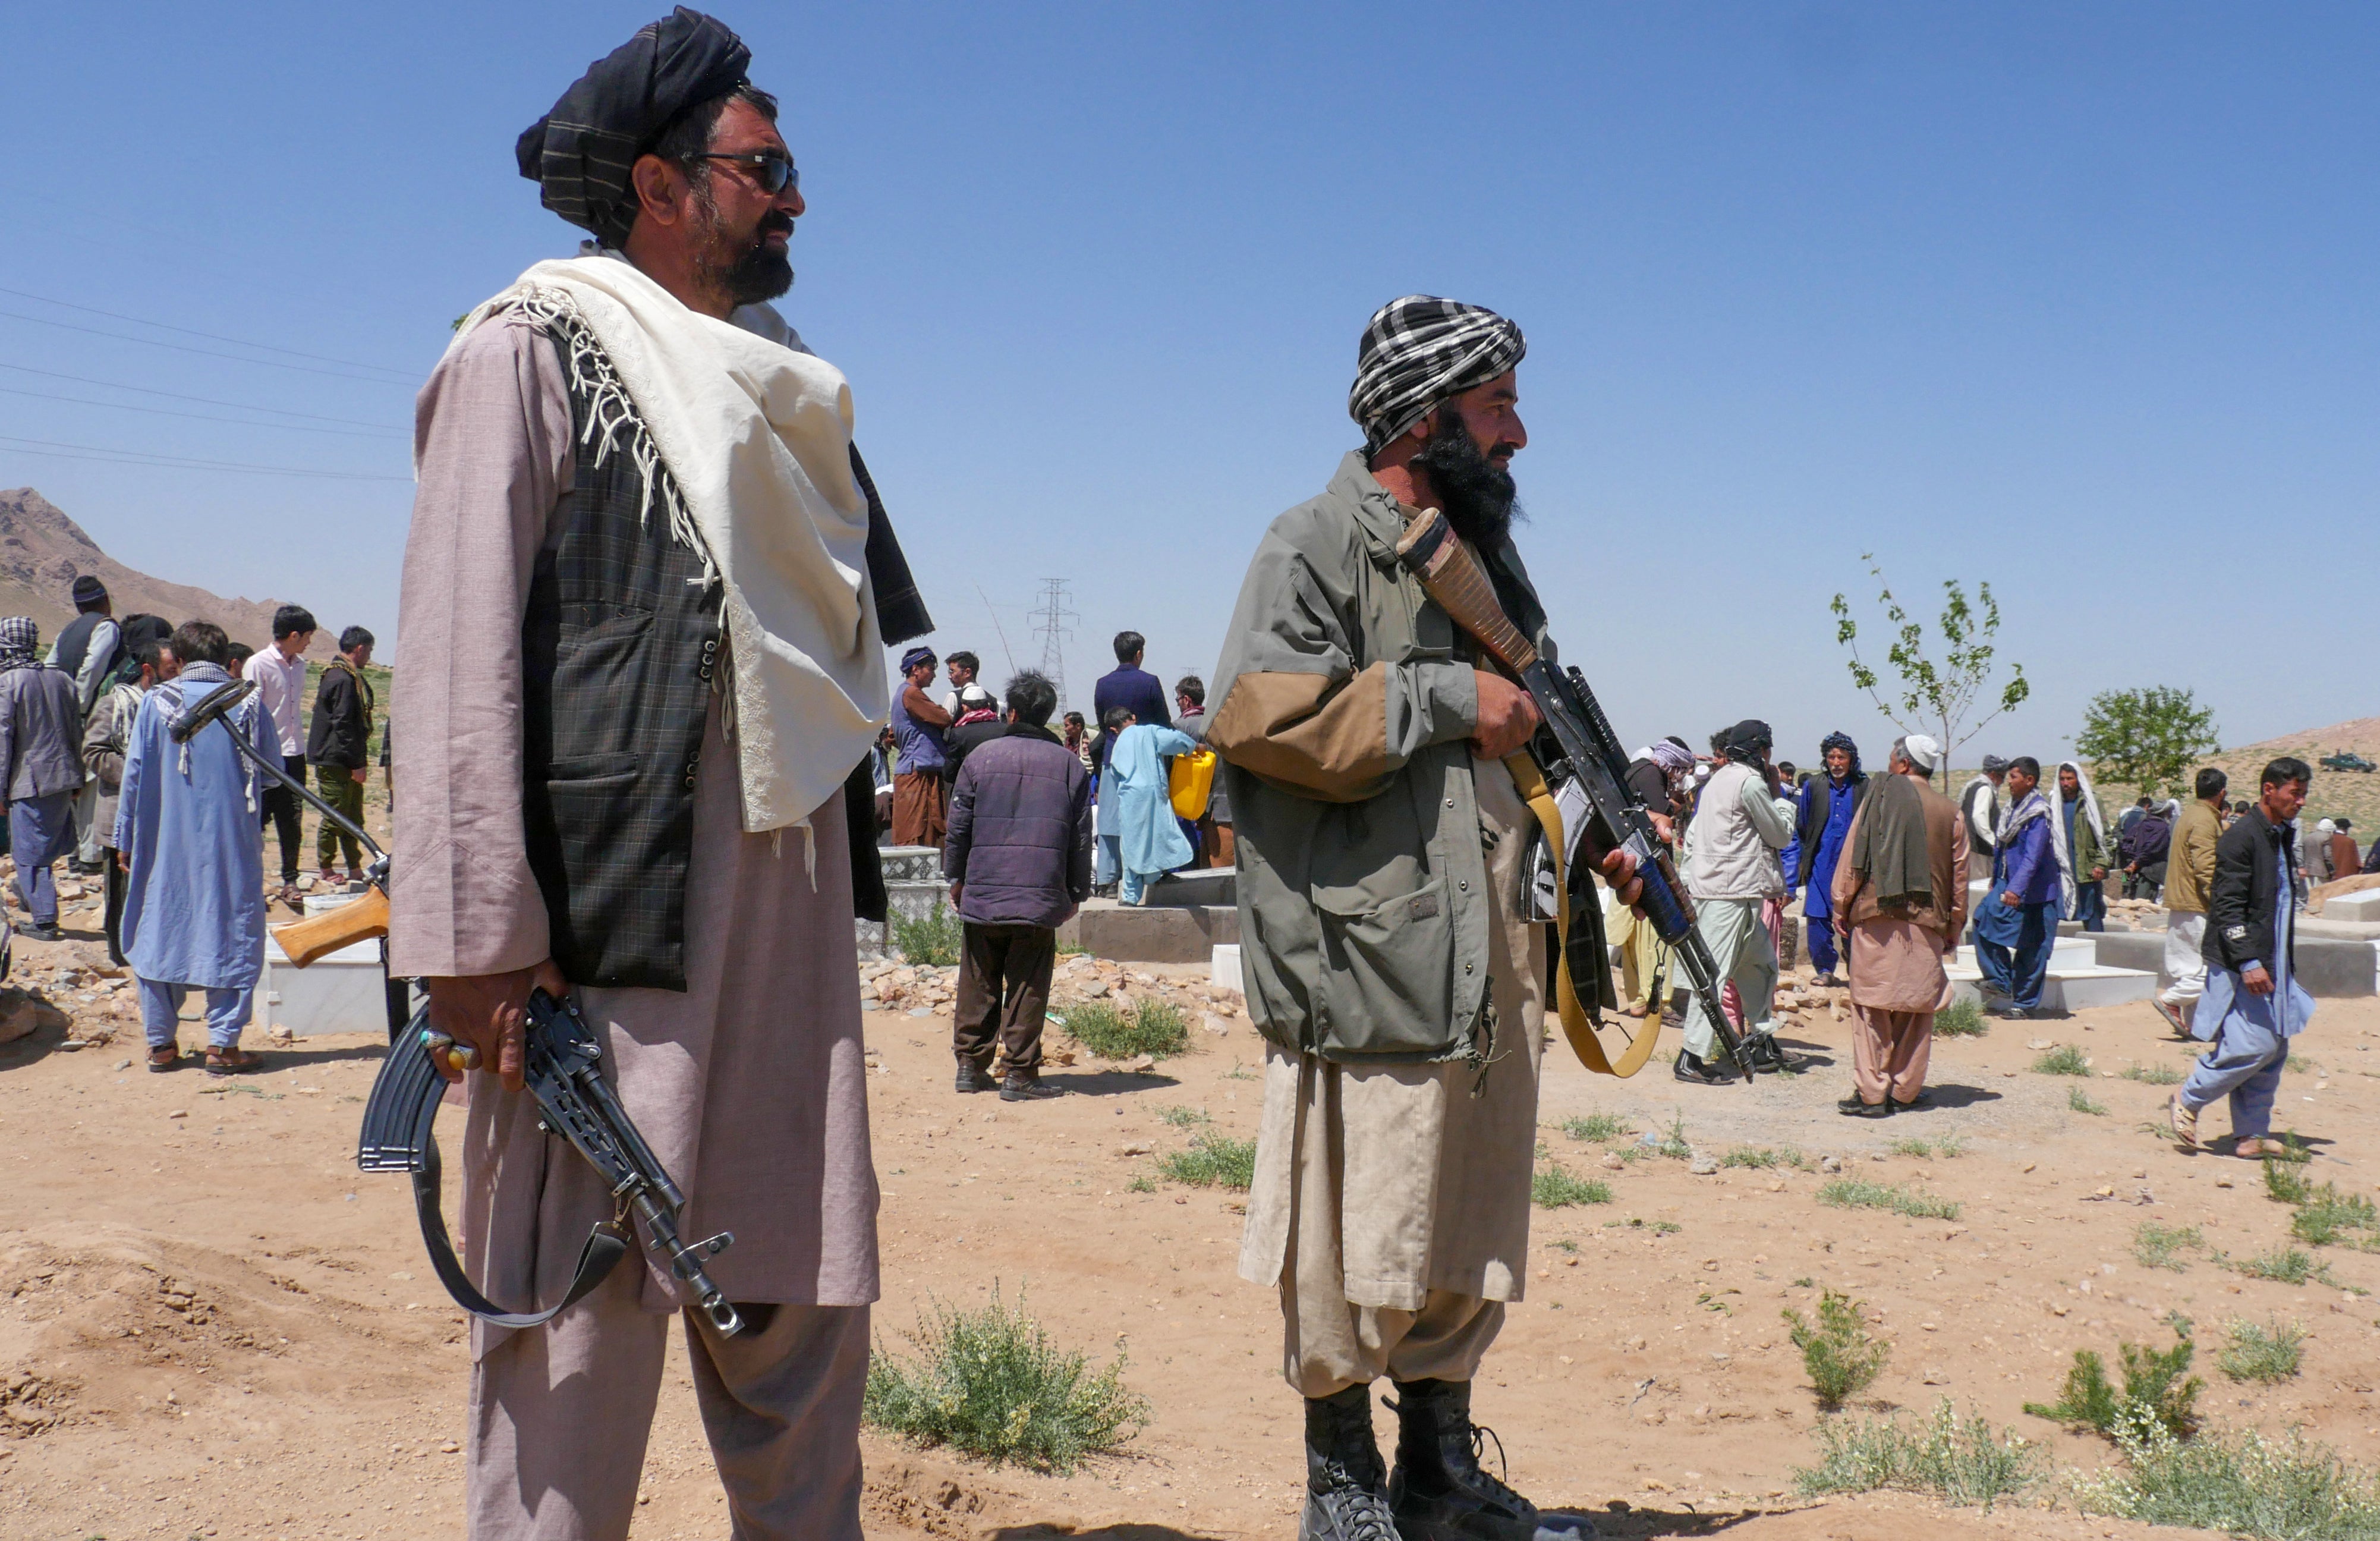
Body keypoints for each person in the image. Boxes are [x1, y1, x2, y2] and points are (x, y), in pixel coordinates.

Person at [393, 13, 925, 1533]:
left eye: (789, 167)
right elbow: (453, 658)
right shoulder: (527, 349)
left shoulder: (784, 383)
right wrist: (477, 948)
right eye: (766, 167)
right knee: (572, 1323)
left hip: (786, 941)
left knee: (802, 1302)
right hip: (598, 962)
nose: (795, 196)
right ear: (661, 183)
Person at [1207, 295, 1628, 1541]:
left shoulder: (1479, 562)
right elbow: (1259, 718)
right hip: (1371, 958)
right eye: (1496, 405)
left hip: (1487, 960)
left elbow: (1536, 734)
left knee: (1465, 1219)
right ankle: (1341, 1481)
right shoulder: (1315, 543)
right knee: (1355, 1235)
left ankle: (1435, 1472)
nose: (1518, 435)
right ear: (1425, 416)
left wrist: (1611, 848)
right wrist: (1441, 695)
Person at [116, 621, 275, 1076]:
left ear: (179, 660)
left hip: (165, 837)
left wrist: (125, 837)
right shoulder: (247, 699)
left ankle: (161, 1045)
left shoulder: (154, 702)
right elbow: (269, 773)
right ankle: (222, 1046)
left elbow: (136, 775)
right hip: (231, 841)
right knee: (231, 925)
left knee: (159, 924)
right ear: (226, 659)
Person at [942, 671, 1089, 1102]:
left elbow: (959, 828)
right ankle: (1020, 1074)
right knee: (1027, 982)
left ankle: (971, 1066)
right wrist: (1077, 890)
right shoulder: (1067, 765)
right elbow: (1081, 836)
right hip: (1040, 892)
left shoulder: (981, 758)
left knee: (978, 977)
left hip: (984, 889)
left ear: (1013, 712)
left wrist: (957, 879)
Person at [2170, 759, 2316, 1158]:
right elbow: (2228, 905)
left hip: (2274, 960)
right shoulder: (2242, 838)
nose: (2300, 802)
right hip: (2244, 964)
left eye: (2304, 794)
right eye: (2294, 794)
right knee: (2254, 1044)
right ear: (2269, 790)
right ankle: (2188, 1098)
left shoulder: (2279, 836)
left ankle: (2250, 1133)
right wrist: (2248, 961)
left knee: (2276, 1047)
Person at [1830, 735, 1966, 1117]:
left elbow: (1854, 860)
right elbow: (1959, 876)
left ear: (1904, 765)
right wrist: (1955, 924)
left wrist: (1842, 904)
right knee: (1917, 1010)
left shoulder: (1880, 798)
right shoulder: (1951, 811)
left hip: (1877, 920)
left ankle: (1873, 1094)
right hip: (1929, 923)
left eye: (1893, 758)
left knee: (1871, 1009)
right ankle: (1905, 1091)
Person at [1676, 719, 1797, 1083]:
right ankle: (1691, 1057)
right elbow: (1779, 835)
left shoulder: (1719, 779)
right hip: (1728, 896)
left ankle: (1761, 1043)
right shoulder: (1750, 783)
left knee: (1761, 967)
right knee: (1712, 978)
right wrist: (1781, 797)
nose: (1770, 757)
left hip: (1732, 894)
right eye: (1767, 749)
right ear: (1759, 750)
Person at [86, 635, 172, 966]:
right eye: (170, 668)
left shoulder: (175, 706)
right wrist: (138, 773)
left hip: (163, 813)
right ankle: (121, 955)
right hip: (121, 809)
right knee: (121, 889)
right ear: (149, 669)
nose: (176, 675)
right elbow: (93, 752)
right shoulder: (115, 704)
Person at [0, 618, 85, 942]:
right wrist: (77, 776)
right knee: (43, 846)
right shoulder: (62, 679)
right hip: (64, 777)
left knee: (28, 853)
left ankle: (45, 921)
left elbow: (3, 743)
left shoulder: (9, 682)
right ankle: (28, 892)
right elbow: (76, 732)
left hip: (30, 781)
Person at [1974, 756, 2063, 1018]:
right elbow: (2003, 845)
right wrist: (1997, 878)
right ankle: (1999, 980)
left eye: (2013, 777)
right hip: (2007, 883)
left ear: (2029, 780)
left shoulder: (2038, 813)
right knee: (1982, 919)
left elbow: (2032, 857)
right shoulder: (2013, 809)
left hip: (2037, 892)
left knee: (2033, 949)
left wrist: (2016, 888)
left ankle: (2023, 1005)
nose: (2009, 782)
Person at [1611, 740, 1692, 1018]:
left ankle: (1638, 1001)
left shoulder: (1638, 770)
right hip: (1649, 871)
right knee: (1657, 940)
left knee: (1634, 943)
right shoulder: (1651, 775)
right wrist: (1673, 807)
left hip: (1627, 865)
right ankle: (1660, 1003)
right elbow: (1660, 815)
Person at [47, 575, 121, 874]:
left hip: (62, 714)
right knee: (91, 785)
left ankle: (77, 853)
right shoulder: (106, 627)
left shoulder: (66, 631)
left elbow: (51, 666)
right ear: (105, 601)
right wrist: (77, 705)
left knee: (75, 784)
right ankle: (90, 858)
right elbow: (92, 669)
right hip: (87, 713)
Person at [243, 604, 316, 901]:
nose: (309, 643)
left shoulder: (300, 666)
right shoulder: (258, 665)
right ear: (294, 635)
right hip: (264, 756)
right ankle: (250, 882)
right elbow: (247, 712)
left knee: (291, 821)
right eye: (307, 637)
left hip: (294, 754)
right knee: (257, 821)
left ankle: (290, 881)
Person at [2155, 768, 2227, 1036]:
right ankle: (2170, 1000)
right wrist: (2220, 902)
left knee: (2189, 969)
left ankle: (2195, 1026)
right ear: (2222, 793)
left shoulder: (2190, 815)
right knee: (2210, 968)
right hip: (2198, 904)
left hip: (2182, 902)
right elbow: (2206, 866)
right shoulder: (2205, 821)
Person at [1793, 732, 1867, 986]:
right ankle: (1824, 970)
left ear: (1851, 760)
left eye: (1842, 757)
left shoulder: (1862, 787)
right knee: (1817, 918)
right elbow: (1803, 825)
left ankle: (1858, 972)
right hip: (1821, 864)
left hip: (1852, 869)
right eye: (1832, 757)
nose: (1836, 762)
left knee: (1854, 919)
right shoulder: (1815, 786)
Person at [307, 625, 376, 884]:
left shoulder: (343, 676)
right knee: (335, 814)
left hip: (343, 758)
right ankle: (326, 867)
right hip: (337, 759)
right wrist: (357, 763)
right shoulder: (342, 678)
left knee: (353, 816)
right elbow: (344, 725)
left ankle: (354, 867)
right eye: (369, 651)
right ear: (359, 649)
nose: (369, 656)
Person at [1106, 713, 1198, 904]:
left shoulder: (1117, 746)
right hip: (1152, 793)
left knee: (1132, 844)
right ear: (1133, 717)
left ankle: (1130, 896)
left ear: (1113, 729)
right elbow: (1174, 740)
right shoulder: (1148, 731)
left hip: (1130, 797)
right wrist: (1193, 747)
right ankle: (1158, 874)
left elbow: (1115, 775)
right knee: (1159, 833)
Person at [890, 645, 953, 847]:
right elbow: (944, 718)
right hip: (917, 774)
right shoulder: (912, 694)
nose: (934, 675)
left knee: (928, 830)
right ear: (916, 669)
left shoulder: (904, 693)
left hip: (920, 770)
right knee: (917, 831)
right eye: (931, 668)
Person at [1091, 630, 1169, 785]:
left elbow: (1103, 724)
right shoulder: (1150, 682)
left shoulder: (1102, 684)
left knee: (1114, 809)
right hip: (1144, 761)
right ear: (1138, 654)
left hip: (1113, 758)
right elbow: (1164, 722)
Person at [2057, 760, 2113, 932]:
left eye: (2069, 779)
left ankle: (2099, 950)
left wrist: (2101, 864)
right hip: (2064, 868)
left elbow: (2106, 836)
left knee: (2092, 911)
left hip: (2087, 868)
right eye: (2062, 779)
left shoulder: (2091, 801)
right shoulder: (2055, 803)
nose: (2065, 783)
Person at [942, 682, 1005, 775]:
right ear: (988, 706)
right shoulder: (1004, 729)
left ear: (965, 708)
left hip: (969, 785)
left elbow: (949, 772)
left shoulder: (958, 734)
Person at [2120, 796, 2174, 902]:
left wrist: (2133, 859)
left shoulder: (2142, 823)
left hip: (2131, 868)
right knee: (2142, 904)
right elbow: (2151, 849)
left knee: (2127, 899)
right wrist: (2137, 862)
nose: (2171, 815)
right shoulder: (2162, 828)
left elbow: (2126, 842)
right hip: (2149, 873)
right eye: (2169, 812)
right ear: (2163, 813)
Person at [1960, 755, 2008, 864]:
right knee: (1980, 881)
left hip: (1968, 848)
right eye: (2002, 777)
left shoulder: (1971, 785)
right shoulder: (1985, 789)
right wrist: (1993, 842)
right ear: (1993, 775)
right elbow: (1979, 817)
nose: (2003, 782)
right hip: (1979, 852)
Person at [937, 649, 980, 716]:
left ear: (967, 672)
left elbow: (944, 723)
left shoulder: (954, 697)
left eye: (952, 672)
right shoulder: (993, 701)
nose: (949, 677)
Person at [2325, 818, 2360, 883]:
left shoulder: (2328, 839)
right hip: (2346, 876)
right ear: (2347, 829)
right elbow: (2355, 861)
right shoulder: (2350, 841)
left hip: (2328, 874)